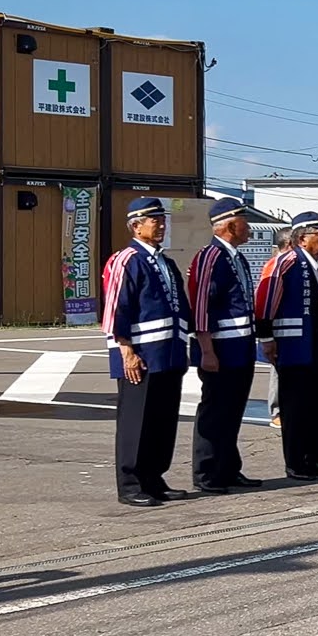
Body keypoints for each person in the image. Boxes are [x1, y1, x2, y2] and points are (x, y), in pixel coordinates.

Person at [102, 197, 190, 506]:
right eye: (155, 220)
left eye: (163, 219)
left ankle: (154, 478)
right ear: (136, 225)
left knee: (162, 421)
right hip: (140, 356)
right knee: (136, 422)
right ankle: (131, 483)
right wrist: (126, 351)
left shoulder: (165, 261)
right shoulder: (126, 259)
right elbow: (116, 310)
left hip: (169, 353)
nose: (162, 225)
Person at [254, 211, 318, 479]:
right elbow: (265, 302)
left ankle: (317, 457)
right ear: (302, 239)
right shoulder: (286, 262)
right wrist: (266, 338)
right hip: (294, 347)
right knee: (296, 406)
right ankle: (296, 460)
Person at [186, 198, 261, 494]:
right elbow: (201, 305)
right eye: (244, 221)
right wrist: (206, 350)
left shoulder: (236, 257)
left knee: (233, 411)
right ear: (230, 225)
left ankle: (228, 468)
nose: (249, 227)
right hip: (219, 350)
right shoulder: (210, 256)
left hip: (241, 348)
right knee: (215, 411)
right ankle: (206, 472)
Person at [260, 226, 292, 429]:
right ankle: (277, 410)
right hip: (278, 328)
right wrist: (266, 335)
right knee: (278, 371)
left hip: (293, 329)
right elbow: (265, 301)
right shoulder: (276, 265)